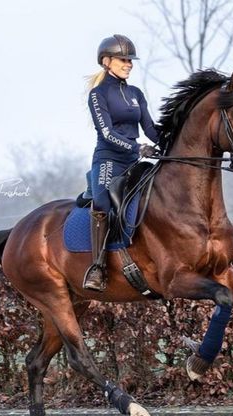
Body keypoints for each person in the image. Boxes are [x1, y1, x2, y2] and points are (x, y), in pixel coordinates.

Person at [83, 34, 160, 292]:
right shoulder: (98, 94)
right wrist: (138, 147)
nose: (129, 64)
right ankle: (97, 266)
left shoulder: (135, 93)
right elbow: (107, 133)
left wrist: (171, 141)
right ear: (106, 61)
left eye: (130, 60)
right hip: (109, 160)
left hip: (134, 160)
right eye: (123, 59)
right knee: (103, 203)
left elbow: (149, 127)